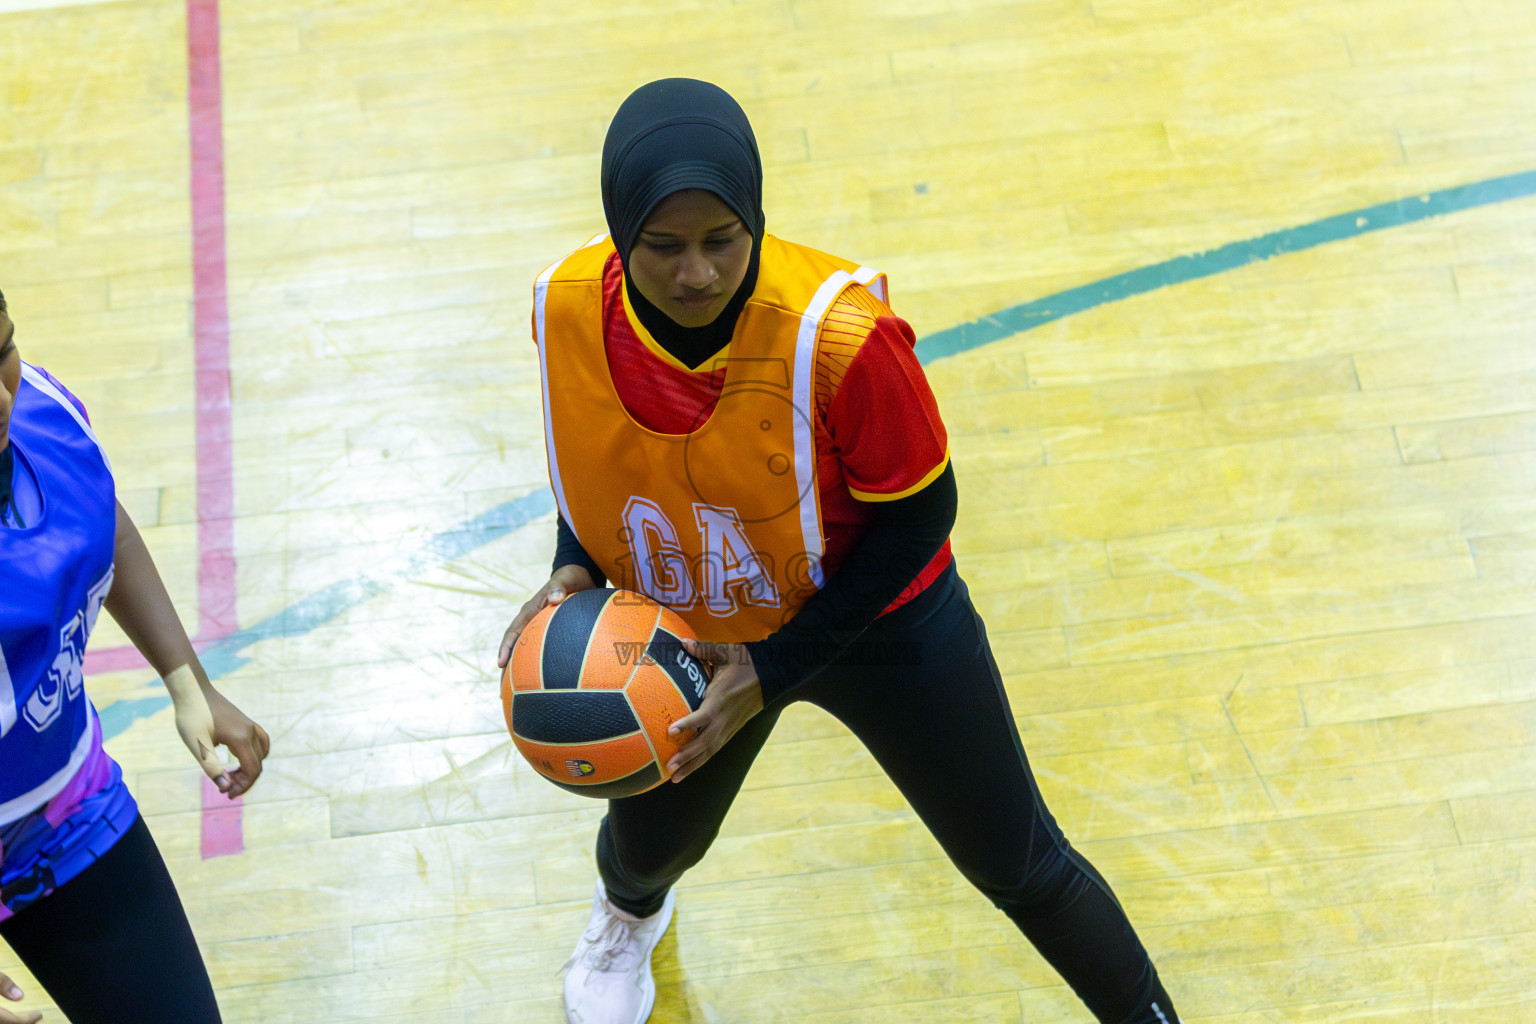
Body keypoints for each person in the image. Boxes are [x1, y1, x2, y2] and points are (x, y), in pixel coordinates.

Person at [498, 79, 1184, 1024]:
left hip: (879, 618)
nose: (695, 273)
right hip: (698, 622)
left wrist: (774, 668)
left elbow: (921, 516)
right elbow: (597, 453)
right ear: (620, 233)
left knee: (1018, 864)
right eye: (663, 247)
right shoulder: (565, 308)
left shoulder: (843, 338)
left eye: (720, 241)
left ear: (757, 220)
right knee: (648, 846)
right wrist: (574, 560)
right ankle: (628, 919)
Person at [0, 289, 270, 1024]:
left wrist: (189, 684)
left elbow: (98, 519)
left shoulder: (43, 414)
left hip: (60, 810)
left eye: (2, 350)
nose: (1, 397)